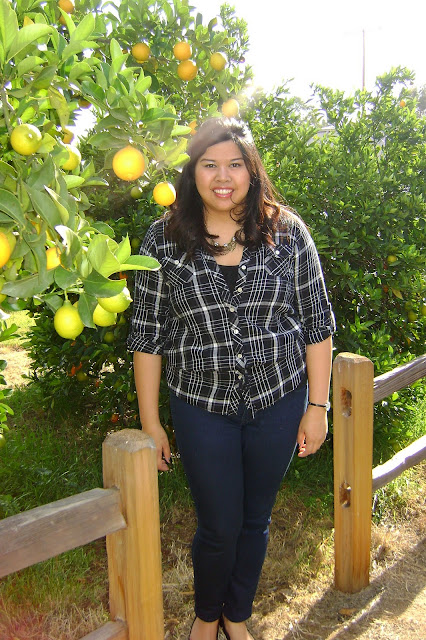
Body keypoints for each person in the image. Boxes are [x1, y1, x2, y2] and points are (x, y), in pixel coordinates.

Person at [127, 117, 335, 640]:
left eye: (235, 164)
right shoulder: (164, 237)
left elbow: (317, 323)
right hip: (202, 404)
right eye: (210, 164)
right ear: (192, 172)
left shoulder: (288, 232)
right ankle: (206, 616)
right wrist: (151, 423)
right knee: (218, 525)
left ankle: (236, 616)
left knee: (254, 520)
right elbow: (147, 335)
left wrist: (317, 407)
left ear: (252, 170)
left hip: (279, 399)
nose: (223, 177)